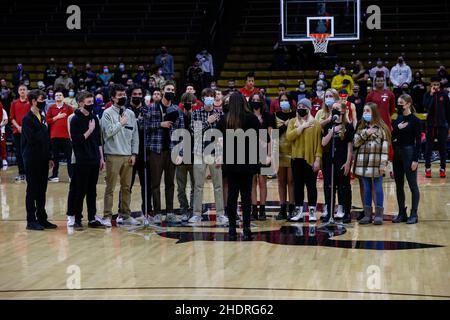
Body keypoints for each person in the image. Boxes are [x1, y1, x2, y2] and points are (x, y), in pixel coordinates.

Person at [217, 92, 261, 241]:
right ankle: (247, 228)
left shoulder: (224, 119)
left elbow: (218, 141)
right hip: (247, 162)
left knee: (232, 195)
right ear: (244, 102)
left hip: (231, 162)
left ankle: (231, 229)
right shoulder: (252, 118)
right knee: (246, 195)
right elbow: (259, 140)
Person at [100, 84, 140, 227]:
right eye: (119, 95)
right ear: (112, 97)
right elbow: (107, 133)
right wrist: (120, 123)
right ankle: (106, 216)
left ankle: (126, 215)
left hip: (128, 156)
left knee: (126, 188)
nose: (123, 97)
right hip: (112, 155)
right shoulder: (107, 113)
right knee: (110, 188)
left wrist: (134, 153)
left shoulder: (130, 113)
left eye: (124, 95)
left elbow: (135, 136)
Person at [147, 81, 184, 223]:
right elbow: (143, 126)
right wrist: (159, 124)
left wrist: (180, 153)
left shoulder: (177, 109)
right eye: (168, 89)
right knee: (155, 183)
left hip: (172, 150)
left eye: (173, 90)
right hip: (156, 150)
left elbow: (181, 132)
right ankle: (157, 212)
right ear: (162, 91)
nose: (171, 92)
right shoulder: (152, 108)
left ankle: (170, 212)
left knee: (170, 183)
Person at [67, 91, 106, 229]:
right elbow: (76, 141)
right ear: (80, 103)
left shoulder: (94, 118)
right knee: (80, 190)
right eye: (89, 102)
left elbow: (98, 141)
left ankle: (92, 218)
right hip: (81, 160)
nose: (91, 105)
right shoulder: (75, 119)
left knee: (92, 191)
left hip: (94, 159)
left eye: (92, 102)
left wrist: (101, 158)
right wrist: (89, 130)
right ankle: (77, 219)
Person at [190, 88, 227, 225]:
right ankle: (196, 214)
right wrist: (208, 121)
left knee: (218, 185)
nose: (210, 98)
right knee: (198, 185)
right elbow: (195, 132)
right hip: (199, 152)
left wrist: (221, 155)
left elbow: (222, 136)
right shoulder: (196, 113)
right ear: (203, 98)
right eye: (207, 96)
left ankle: (220, 214)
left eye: (212, 96)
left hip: (215, 153)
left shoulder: (220, 113)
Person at [21, 89, 56, 231]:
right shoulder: (27, 119)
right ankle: (31, 220)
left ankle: (42, 218)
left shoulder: (41, 116)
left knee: (42, 190)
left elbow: (46, 140)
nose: (44, 101)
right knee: (32, 190)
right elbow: (32, 139)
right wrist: (44, 126)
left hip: (43, 158)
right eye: (42, 99)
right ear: (34, 101)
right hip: (31, 159)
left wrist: (50, 157)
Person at [353, 102, 390, 225]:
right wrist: (366, 133)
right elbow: (355, 143)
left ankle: (379, 215)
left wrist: (383, 165)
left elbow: (385, 149)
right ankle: (367, 214)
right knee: (367, 189)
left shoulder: (382, 129)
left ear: (374, 112)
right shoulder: (360, 128)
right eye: (364, 111)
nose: (365, 113)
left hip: (376, 164)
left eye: (367, 111)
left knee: (378, 188)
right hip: (362, 164)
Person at [286, 98, 322, 222]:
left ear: (309, 108)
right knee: (298, 186)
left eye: (304, 107)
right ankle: (299, 211)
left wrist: (317, 160)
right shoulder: (292, 122)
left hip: (310, 159)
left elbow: (318, 144)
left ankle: (312, 211)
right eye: (299, 106)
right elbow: (289, 137)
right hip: (296, 159)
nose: (301, 108)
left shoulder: (316, 123)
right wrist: (302, 127)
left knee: (311, 186)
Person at [321, 102, 354, 223]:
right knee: (329, 187)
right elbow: (323, 143)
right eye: (333, 108)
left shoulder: (348, 126)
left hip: (342, 160)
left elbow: (350, 147)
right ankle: (330, 212)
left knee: (344, 187)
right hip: (329, 160)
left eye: (337, 108)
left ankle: (346, 212)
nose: (334, 110)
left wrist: (348, 163)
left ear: (343, 111)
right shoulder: (328, 125)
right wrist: (332, 131)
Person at [391, 94, 421, 224]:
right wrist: (397, 128)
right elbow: (392, 136)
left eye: (401, 103)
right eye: (398, 103)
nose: (399, 105)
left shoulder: (415, 120)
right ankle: (401, 212)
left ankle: (414, 214)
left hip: (409, 153)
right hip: (397, 153)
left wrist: (415, 159)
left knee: (412, 185)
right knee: (399, 185)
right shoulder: (398, 119)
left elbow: (419, 142)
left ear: (408, 104)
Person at [126, 84, 153, 216]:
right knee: (127, 185)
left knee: (146, 186)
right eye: (135, 94)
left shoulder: (147, 110)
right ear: (130, 95)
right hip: (128, 152)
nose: (137, 96)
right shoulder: (124, 110)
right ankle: (123, 212)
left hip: (144, 153)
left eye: (139, 94)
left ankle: (147, 211)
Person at [248, 92, 274, 221]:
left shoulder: (268, 116)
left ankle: (262, 209)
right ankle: (253, 209)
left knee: (263, 181)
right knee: (252, 182)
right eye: (253, 99)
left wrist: (269, 154)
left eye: (258, 99)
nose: (255, 101)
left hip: (264, 152)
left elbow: (270, 137)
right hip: (250, 152)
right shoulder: (247, 116)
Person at [273, 94, 296, 220]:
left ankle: (292, 207)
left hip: (293, 150)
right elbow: (274, 133)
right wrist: (284, 125)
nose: (284, 102)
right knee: (281, 181)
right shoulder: (275, 116)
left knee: (291, 181)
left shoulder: (296, 115)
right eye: (282, 100)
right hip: (279, 151)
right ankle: (282, 208)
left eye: (286, 100)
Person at [423, 76, 450, 178]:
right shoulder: (427, 94)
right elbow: (426, 106)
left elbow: (448, 112)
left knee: (442, 148)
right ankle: (427, 168)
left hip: (442, 126)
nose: (435, 86)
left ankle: (442, 169)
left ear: (440, 85)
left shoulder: (444, 95)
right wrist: (431, 95)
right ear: (431, 85)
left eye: (437, 84)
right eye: (434, 84)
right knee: (428, 148)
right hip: (430, 126)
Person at [45, 91, 73, 182]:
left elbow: (74, 120)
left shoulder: (69, 108)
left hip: (66, 136)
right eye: (56, 95)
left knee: (69, 157)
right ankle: (54, 176)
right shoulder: (51, 108)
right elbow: (47, 121)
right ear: (54, 98)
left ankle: (71, 176)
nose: (58, 96)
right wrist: (57, 117)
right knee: (55, 157)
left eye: (60, 95)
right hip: (54, 136)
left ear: (63, 97)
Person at [177, 92, 196, 222]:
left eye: (191, 102)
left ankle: (194, 209)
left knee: (196, 186)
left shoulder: (197, 116)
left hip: (195, 156)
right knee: (181, 186)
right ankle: (184, 208)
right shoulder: (178, 116)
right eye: (186, 101)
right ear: (182, 103)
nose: (188, 104)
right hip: (180, 156)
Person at [10, 84, 30, 182]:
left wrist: (25, 128)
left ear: (27, 91)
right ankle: (21, 173)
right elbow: (12, 118)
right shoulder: (14, 103)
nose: (22, 91)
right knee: (19, 153)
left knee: (28, 153)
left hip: (28, 132)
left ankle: (29, 173)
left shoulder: (30, 103)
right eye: (20, 90)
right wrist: (18, 127)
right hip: (17, 131)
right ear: (18, 92)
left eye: (24, 89)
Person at [0, 103, 7, 170]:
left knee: (2, 146)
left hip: (1, 131)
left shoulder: (3, 110)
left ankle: (4, 160)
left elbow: (6, 120)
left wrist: (0, 125)